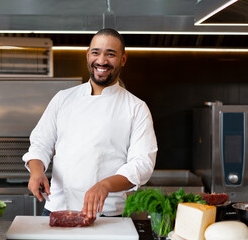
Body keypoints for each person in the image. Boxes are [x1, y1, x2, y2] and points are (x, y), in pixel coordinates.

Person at [22, 28, 157, 219]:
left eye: (110, 54)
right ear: (88, 55)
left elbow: (142, 164)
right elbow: (41, 142)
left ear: (123, 59)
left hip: (106, 214)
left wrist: (105, 185)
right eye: (96, 52)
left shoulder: (136, 108)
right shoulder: (63, 99)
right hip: (58, 207)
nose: (101, 61)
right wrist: (36, 172)